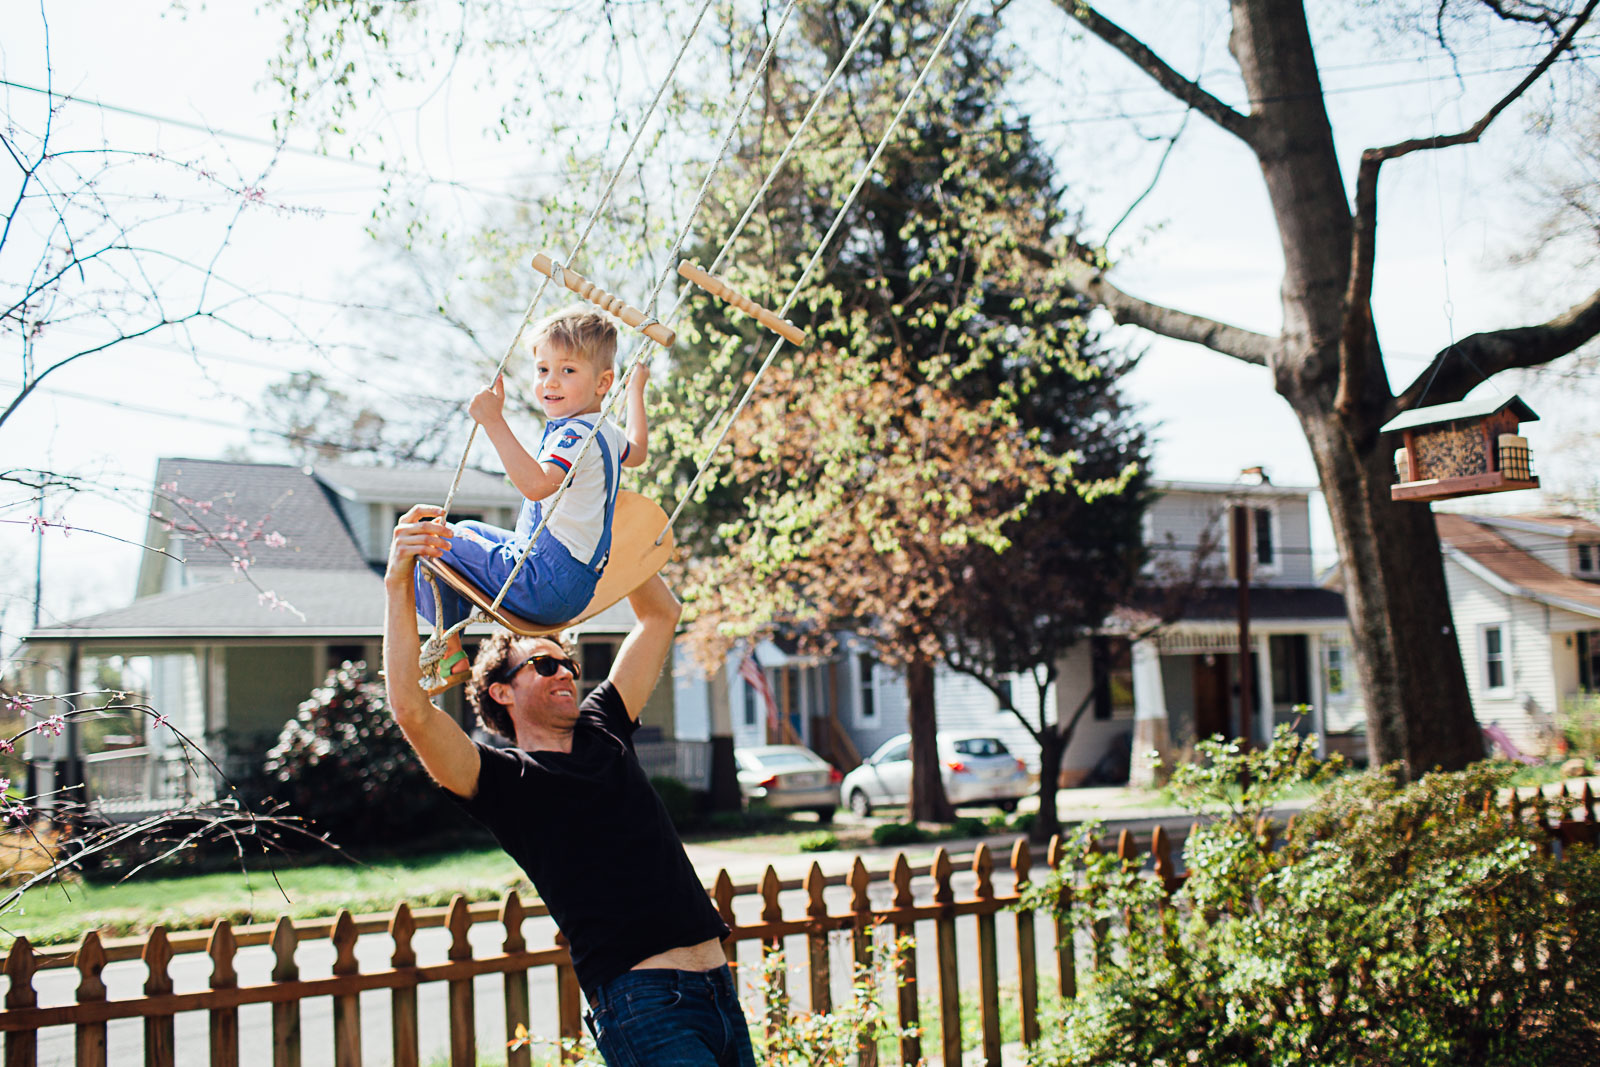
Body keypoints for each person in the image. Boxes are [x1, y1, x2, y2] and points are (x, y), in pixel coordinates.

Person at [384, 505, 757, 1067]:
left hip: (718, 991)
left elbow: (661, 615)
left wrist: (602, 525)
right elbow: (412, 710)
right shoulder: (501, 781)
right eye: (543, 665)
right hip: (644, 1003)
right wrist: (397, 580)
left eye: (568, 664)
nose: (565, 673)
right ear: (501, 693)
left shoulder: (603, 724)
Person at [417, 307, 651, 693]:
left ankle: (450, 650)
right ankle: (453, 639)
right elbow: (639, 451)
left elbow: (537, 485)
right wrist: (636, 391)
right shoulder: (605, 430)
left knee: (426, 538)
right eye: (543, 370)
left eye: (567, 371)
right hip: (573, 584)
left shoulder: (574, 435)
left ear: (602, 382)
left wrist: (494, 421)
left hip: (542, 581)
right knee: (469, 529)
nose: (550, 383)